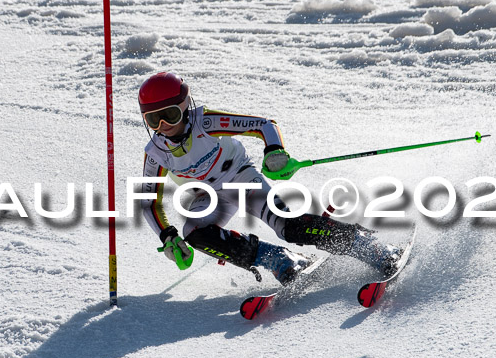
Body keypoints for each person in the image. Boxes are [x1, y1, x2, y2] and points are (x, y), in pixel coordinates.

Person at [139, 72, 401, 284]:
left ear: (185, 108)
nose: (164, 126)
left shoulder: (205, 123)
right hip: (207, 198)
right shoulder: (156, 154)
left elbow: (264, 125)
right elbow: (148, 201)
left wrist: (274, 151)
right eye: (154, 120)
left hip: (239, 179)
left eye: (170, 115)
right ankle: (279, 259)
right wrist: (167, 237)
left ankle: (366, 245)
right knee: (193, 232)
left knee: (288, 226)